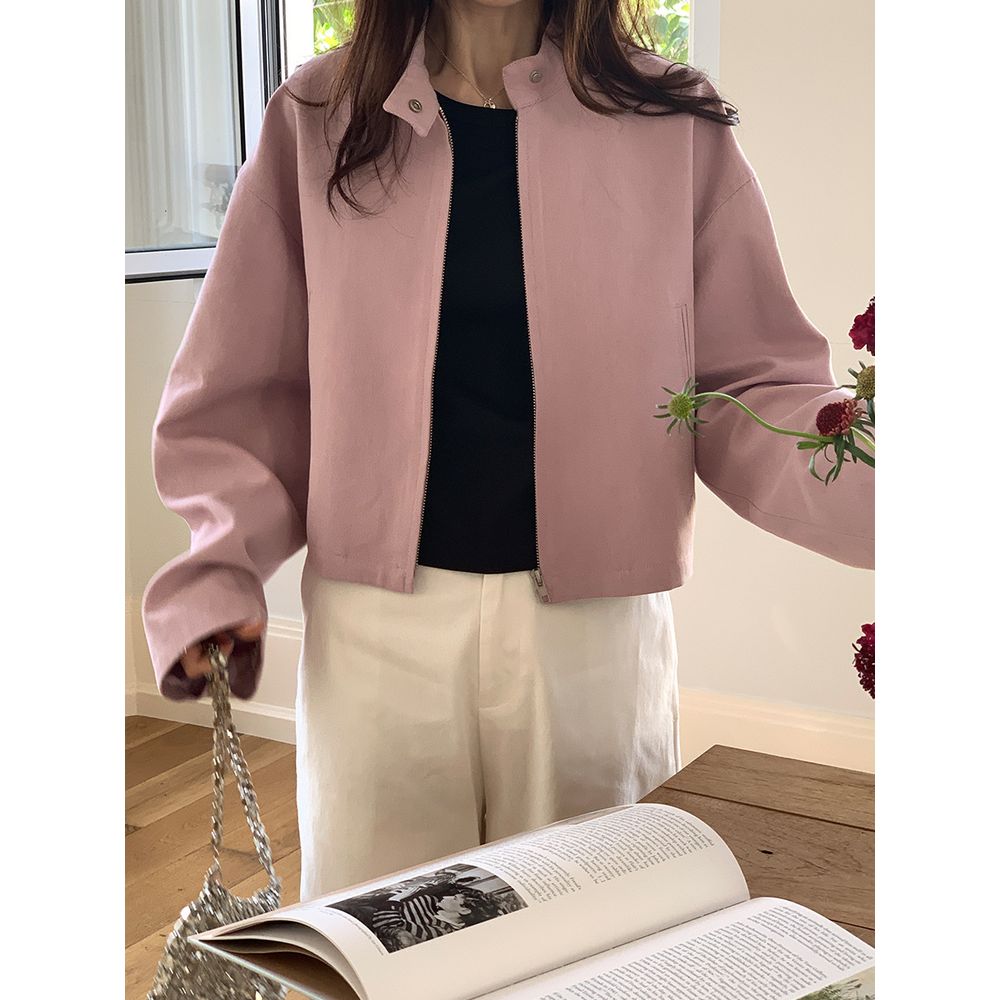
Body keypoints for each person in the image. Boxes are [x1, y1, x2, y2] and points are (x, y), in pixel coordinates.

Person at [141, 0, 874, 902]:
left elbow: (751, 385)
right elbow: (242, 396)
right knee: (389, 943)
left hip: (592, 641)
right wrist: (217, 571)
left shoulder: (673, 122)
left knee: (596, 940)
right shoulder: (317, 117)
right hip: (377, 639)